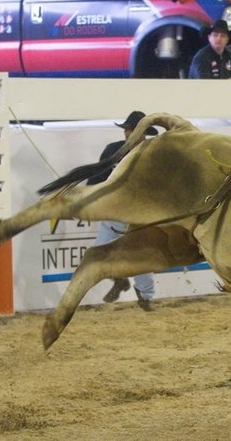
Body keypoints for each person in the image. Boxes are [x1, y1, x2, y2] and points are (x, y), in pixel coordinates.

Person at [88, 111, 159, 312]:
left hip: (139, 217)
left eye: (132, 129)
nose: (128, 132)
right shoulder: (113, 150)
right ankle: (121, 281)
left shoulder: (153, 153)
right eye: (127, 129)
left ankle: (145, 297)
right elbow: (96, 177)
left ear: (143, 133)